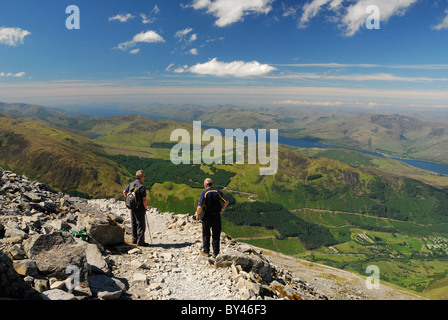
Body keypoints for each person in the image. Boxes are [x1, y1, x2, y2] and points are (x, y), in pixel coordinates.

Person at [195, 178, 229, 258]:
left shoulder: (204, 193)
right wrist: (221, 208)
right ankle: (215, 253)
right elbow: (226, 202)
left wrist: (197, 215)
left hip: (207, 216)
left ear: (205, 185)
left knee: (206, 234)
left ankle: (206, 251)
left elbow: (199, 207)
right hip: (216, 216)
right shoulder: (218, 192)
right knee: (216, 235)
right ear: (212, 184)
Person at [123, 170, 149, 247]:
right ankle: (141, 242)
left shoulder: (131, 184)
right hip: (139, 207)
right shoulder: (142, 187)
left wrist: (129, 201)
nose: (144, 178)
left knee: (133, 223)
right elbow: (144, 199)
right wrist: (145, 207)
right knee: (141, 225)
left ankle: (134, 240)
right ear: (141, 178)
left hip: (132, 207)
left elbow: (124, 192)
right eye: (144, 177)